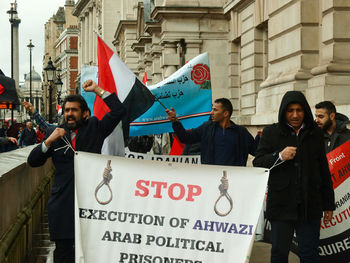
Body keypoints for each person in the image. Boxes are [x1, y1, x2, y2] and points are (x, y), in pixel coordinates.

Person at [27, 79, 126, 263]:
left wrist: (97, 89)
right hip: (62, 203)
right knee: (63, 252)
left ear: (84, 113)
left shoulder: (95, 127)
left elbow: (119, 111)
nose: (69, 114)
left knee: (90, 251)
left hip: (90, 201)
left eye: (74, 110)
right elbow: (33, 161)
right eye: (66, 111)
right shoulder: (56, 133)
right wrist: (48, 141)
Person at [253, 91, 335, 263]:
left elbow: (323, 170)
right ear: (284, 111)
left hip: (310, 205)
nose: (295, 115)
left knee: (309, 253)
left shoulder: (316, 133)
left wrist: (329, 204)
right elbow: (258, 162)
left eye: (299, 110)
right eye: (290, 110)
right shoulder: (271, 132)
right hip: (281, 205)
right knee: (279, 254)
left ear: (305, 111)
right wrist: (279, 156)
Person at [165, 98, 258, 166]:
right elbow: (185, 138)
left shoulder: (242, 133)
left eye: (215, 110)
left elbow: (256, 151)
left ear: (226, 113)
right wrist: (175, 121)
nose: (211, 112)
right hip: (211, 178)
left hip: (234, 179)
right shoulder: (206, 128)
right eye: (212, 109)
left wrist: (260, 138)